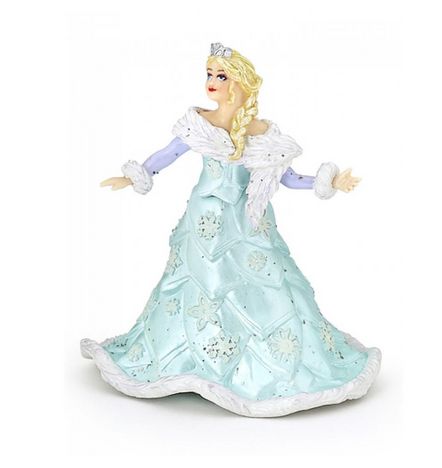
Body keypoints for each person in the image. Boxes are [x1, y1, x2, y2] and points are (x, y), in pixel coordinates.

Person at [80, 42, 381, 417]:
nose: (211, 82)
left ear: (238, 84)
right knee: (200, 283)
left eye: (220, 76)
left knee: (261, 284)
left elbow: (286, 177)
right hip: (206, 221)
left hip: (247, 222)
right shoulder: (199, 124)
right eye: (209, 74)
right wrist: (136, 175)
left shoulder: (262, 133)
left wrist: (329, 182)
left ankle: (253, 355)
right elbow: (167, 155)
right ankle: (195, 351)